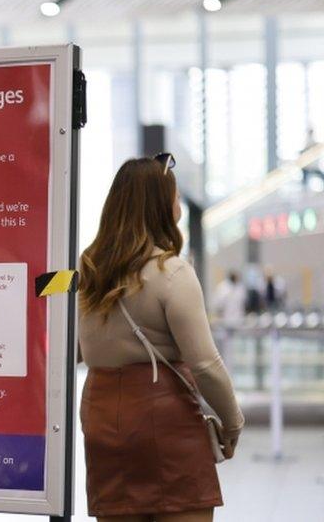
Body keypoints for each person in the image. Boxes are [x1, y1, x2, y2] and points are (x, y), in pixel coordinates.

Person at [78, 154, 244, 522]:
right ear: (160, 206)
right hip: (164, 417)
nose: (180, 206)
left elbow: (75, 351)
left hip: (102, 415)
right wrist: (232, 422)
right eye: (176, 198)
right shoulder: (171, 272)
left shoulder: (88, 271)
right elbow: (205, 364)